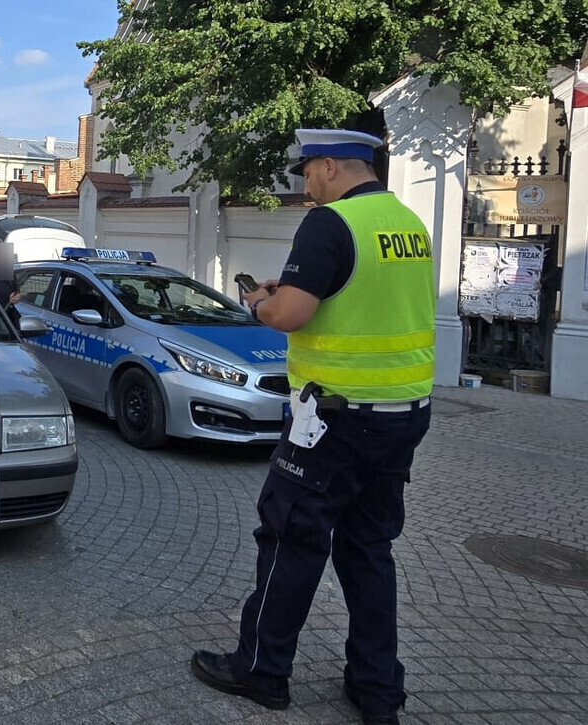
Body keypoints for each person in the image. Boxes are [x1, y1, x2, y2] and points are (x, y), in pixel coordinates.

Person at [190, 128, 435, 725]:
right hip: (404, 412)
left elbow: (291, 313)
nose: (306, 185)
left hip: (334, 420)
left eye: (307, 171)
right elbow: (362, 300)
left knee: (290, 538)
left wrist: (259, 303)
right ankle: (377, 690)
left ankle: (261, 671)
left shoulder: (331, 223)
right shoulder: (407, 224)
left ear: (330, 165)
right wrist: (296, 290)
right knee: (369, 549)